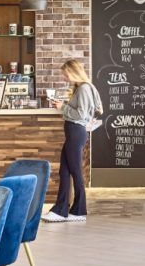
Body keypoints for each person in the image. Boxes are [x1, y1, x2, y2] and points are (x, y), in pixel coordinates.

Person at [42, 59, 101, 223]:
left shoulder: (84, 89)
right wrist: (64, 106)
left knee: (75, 172)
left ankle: (76, 210)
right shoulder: (82, 88)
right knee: (65, 171)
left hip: (76, 133)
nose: (64, 77)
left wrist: (63, 107)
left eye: (65, 74)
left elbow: (80, 115)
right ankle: (63, 210)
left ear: (73, 72)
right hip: (74, 133)